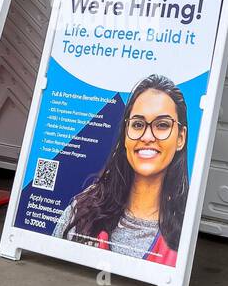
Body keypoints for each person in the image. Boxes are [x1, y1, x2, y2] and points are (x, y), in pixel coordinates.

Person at [53, 74, 190, 266]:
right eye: (138, 124)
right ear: (126, 134)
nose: (147, 137)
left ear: (180, 138)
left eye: (162, 125)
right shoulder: (83, 211)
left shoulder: (187, 227)